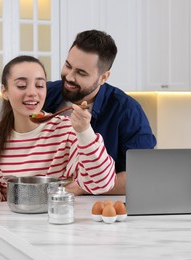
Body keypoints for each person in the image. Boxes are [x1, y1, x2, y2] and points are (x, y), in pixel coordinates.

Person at [0, 55, 116, 203]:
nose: (32, 93)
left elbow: (102, 183)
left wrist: (85, 131)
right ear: (4, 91)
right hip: (10, 228)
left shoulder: (66, 131)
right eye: (21, 85)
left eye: (40, 85)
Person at [43, 30, 157, 195]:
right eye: (68, 65)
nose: (69, 77)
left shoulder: (127, 111)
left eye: (81, 73)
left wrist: (83, 187)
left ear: (104, 77)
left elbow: (142, 175)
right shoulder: (45, 93)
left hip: (96, 209)